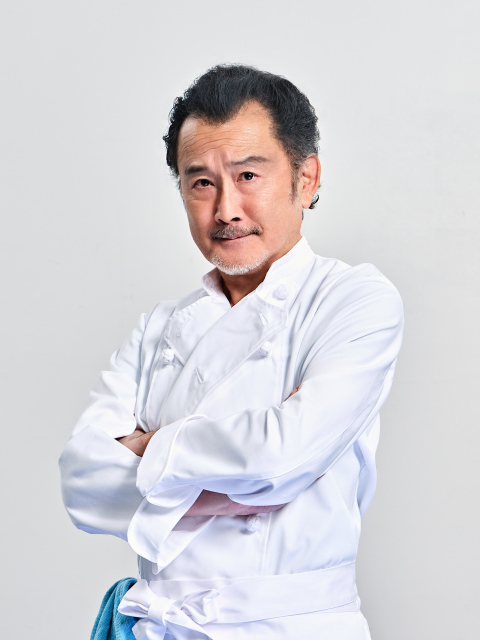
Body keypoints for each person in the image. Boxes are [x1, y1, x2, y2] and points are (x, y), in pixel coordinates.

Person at [59, 64, 404, 640]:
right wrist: (238, 478)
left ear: (306, 179)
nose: (225, 209)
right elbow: (83, 484)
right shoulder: (158, 329)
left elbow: (281, 457)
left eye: (247, 174)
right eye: (201, 183)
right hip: (157, 628)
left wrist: (149, 448)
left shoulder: (353, 300)